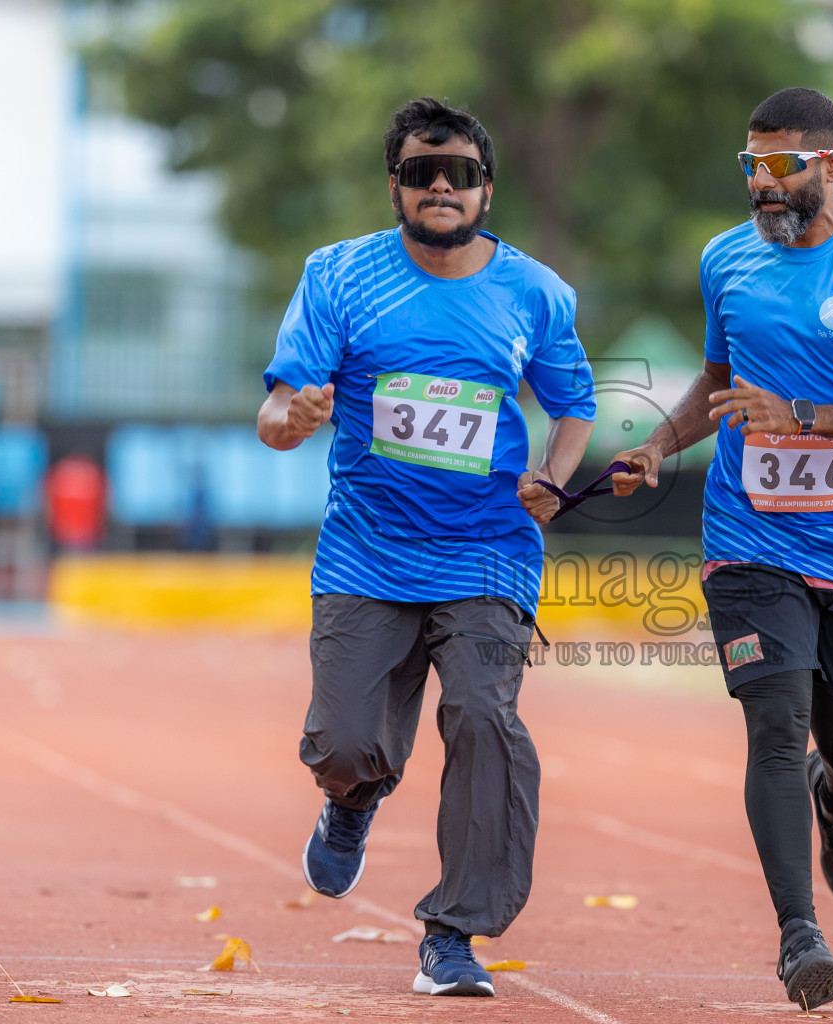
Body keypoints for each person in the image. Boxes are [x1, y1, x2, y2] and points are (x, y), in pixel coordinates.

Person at [611, 87, 833, 1010]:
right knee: (771, 723)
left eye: (780, 164)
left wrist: (801, 416)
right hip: (749, 541)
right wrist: (657, 446)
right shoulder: (726, 261)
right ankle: (799, 936)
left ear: (829, 167)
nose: (761, 182)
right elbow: (717, 384)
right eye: (751, 164)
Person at [256, 98, 595, 999]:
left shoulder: (536, 293)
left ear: (487, 186)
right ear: (396, 184)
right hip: (367, 554)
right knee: (344, 744)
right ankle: (350, 801)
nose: (440, 186)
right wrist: (292, 417)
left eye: (458, 173)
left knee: (486, 721)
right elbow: (276, 413)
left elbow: (574, 409)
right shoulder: (338, 278)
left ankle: (455, 931)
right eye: (420, 172)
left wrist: (554, 485)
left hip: (489, 552)